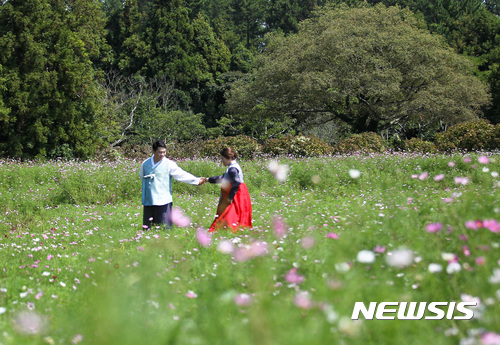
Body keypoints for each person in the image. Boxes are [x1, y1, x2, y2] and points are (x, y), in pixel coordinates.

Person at [139, 140, 204, 229]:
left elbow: (181, 175)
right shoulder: (145, 163)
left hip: (163, 199)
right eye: (160, 152)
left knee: (165, 227)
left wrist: (196, 180)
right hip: (149, 198)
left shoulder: (169, 164)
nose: (162, 154)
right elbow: (141, 176)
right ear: (153, 152)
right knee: (148, 227)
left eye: (164, 152)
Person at [205, 147, 252, 232]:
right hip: (237, 191)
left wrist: (230, 198)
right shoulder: (233, 167)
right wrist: (208, 179)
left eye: (222, 158)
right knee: (234, 212)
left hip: (236, 193)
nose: (221, 160)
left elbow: (236, 182)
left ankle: (228, 230)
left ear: (227, 158)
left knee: (230, 213)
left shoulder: (232, 168)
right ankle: (233, 229)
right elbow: (222, 178)